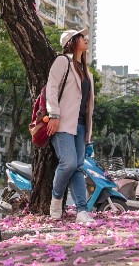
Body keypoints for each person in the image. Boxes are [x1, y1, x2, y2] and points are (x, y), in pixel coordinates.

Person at [45, 27, 96, 224]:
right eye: (81, 37)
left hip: (81, 126)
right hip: (62, 123)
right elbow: (51, 87)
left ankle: (82, 211)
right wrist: (54, 114)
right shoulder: (62, 61)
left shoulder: (86, 70)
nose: (86, 40)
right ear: (72, 42)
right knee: (69, 163)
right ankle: (56, 198)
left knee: (78, 168)